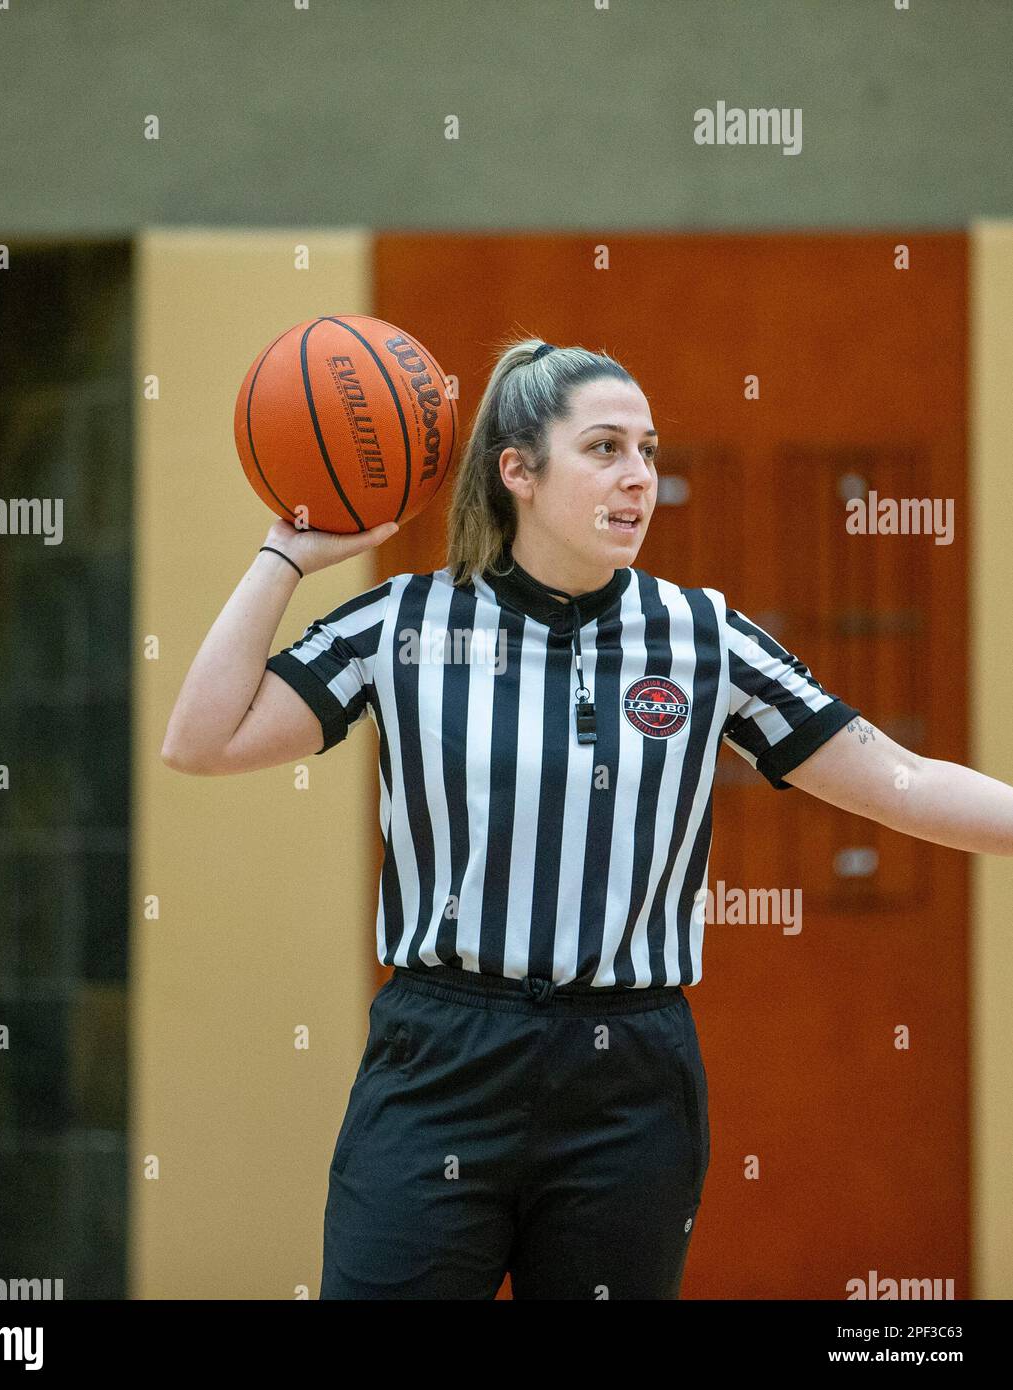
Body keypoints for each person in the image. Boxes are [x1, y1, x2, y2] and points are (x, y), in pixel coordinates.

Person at [163, 337, 1013, 1300]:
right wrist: (284, 555)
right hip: (442, 1055)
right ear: (516, 471)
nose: (639, 477)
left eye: (648, 451)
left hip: (630, 1077)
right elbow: (200, 741)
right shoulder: (399, 624)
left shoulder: (701, 636)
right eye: (604, 448)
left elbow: (900, 779)